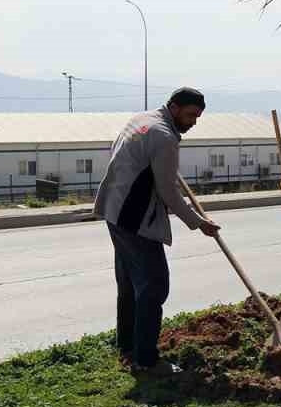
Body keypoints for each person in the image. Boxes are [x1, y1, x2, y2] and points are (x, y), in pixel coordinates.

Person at [94, 87, 220, 375]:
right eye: (190, 115)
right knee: (153, 286)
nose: (193, 122)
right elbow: (168, 192)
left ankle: (127, 349)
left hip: (115, 213)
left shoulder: (143, 119)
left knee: (129, 286)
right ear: (174, 108)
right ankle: (146, 361)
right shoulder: (163, 137)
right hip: (136, 221)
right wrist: (198, 221)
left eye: (198, 117)